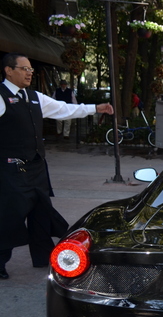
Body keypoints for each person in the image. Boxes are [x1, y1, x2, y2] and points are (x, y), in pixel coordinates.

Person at [0, 53, 114, 280]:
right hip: (10, 170)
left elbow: (64, 109)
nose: (29, 73)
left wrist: (96, 108)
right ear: (8, 70)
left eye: (31, 69)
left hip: (36, 168)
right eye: (24, 69)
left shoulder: (34, 97)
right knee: (9, 217)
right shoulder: (1, 96)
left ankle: (42, 258)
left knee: (41, 213)